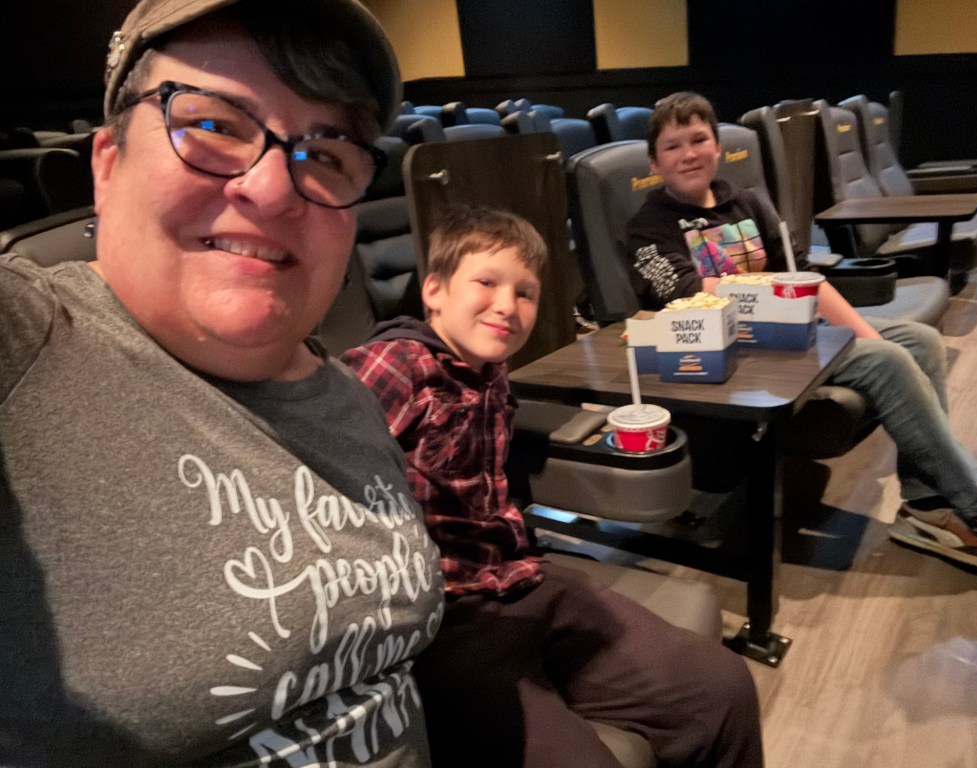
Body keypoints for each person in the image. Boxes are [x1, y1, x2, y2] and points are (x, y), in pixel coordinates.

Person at [0, 1, 445, 765]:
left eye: (326, 152)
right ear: (106, 165)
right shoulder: (28, 343)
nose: (273, 190)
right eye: (211, 124)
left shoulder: (349, 394)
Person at [342, 205, 764, 768]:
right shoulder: (397, 364)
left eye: (525, 293)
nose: (507, 305)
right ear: (434, 290)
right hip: (444, 618)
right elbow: (318, 480)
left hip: (517, 578)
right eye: (486, 283)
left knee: (720, 684)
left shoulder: (491, 372)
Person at [626, 90, 977, 570]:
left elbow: (805, 279)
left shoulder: (748, 203)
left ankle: (925, 504)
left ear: (718, 146)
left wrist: (861, 332)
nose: (688, 154)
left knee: (919, 341)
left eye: (698, 139)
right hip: (731, 355)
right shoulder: (649, 227)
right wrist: (784, 294)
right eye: (672, 146)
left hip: (791, 333)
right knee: (887, 362)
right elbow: (687, 292)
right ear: (654, 162)